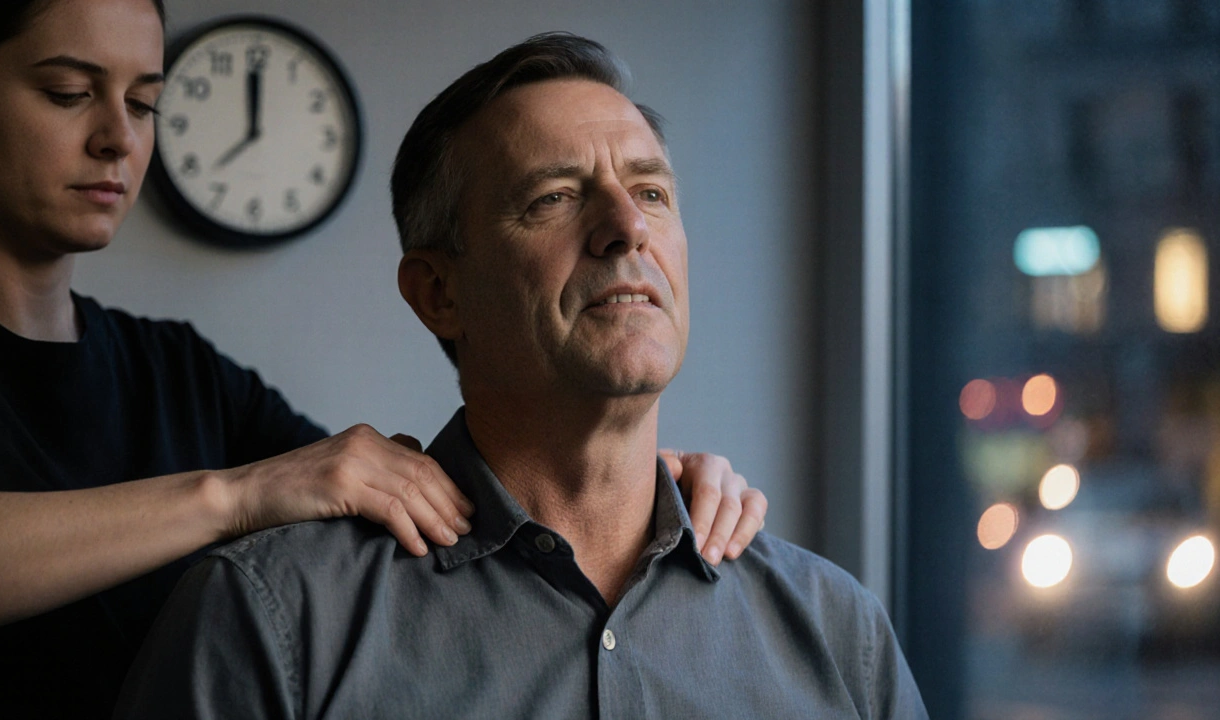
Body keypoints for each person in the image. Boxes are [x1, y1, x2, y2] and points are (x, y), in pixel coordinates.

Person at [0, 3, 767, 717]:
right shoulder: (237, 526)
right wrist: (231, 496)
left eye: (146, 102)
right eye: (68, 94)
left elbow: (399, 485)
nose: (118, 137)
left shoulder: (176, 371)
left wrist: (627, 490)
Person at [115, 32, 928, 719]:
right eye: (554, 198)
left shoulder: (838, 632)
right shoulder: (273, 616)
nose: (627, 226)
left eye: (650, 190)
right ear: (440, 293)